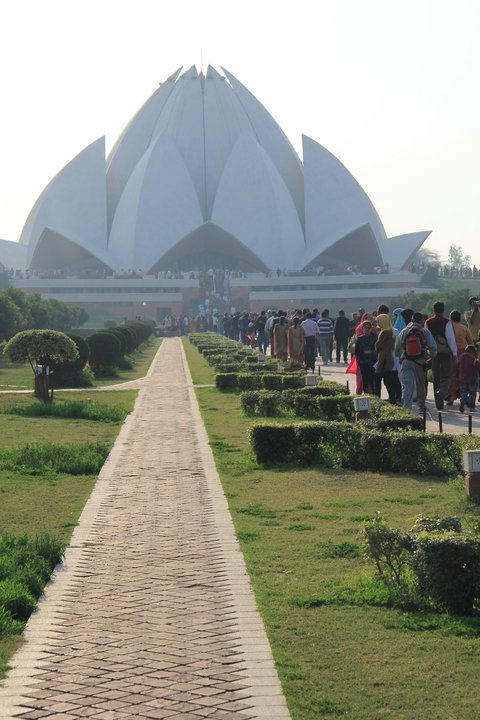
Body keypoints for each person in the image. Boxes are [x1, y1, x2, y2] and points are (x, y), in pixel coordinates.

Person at [395, 311, 437, 413]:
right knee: (420, 385)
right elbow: (433, 347)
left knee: (407, 385)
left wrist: (401, 356)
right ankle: (421, 407)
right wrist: (430, 358)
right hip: (421, 362)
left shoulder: (404, 331)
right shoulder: (425, 331)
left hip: (406, 362)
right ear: (422, 320)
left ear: (412, 320)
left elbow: (397, 349)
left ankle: (407, 408)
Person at [425, 301, 457, 409]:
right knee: (447, 376)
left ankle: (439, 405)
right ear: (443, 310)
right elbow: (450, 338)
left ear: (433, 310)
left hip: (433, 353)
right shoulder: (447, 322)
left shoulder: (428, 322)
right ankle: (442, 392)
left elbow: (426, 337)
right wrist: (454, 352)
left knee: (436, 377)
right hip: (445, 353)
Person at [374, 314, 402, 404]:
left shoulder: (384, 333)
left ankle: (377, 400)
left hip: (384, 360)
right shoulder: (391, 331)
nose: (377, 323)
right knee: (388, 381)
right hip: (390, 359)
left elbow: (378, 346)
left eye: (378, 321)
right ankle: (393, 399)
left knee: (378, 381)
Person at [354, 320, 377, 394]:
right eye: (365, 327)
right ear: (362, 328)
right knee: (364, 380)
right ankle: (365, 394)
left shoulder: (374, 337)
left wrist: (372, 352)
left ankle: (374, 396)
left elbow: (377, 349)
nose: (367, 329)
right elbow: (356, 351)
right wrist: (364, 352)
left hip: (372, 362)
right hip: (362, 362)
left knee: (372, 380)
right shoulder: (359, 339)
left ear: (371, 328)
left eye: (368, 327)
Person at [457, 345, 480, 412]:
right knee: (472, 393)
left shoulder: (461, 357)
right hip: (472, 379)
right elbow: (478, 366)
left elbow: (457, 364)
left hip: (462, 378)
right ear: (472, 351)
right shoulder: (473, 359)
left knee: (463, 392)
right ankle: (471, 406)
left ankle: (463, 402)